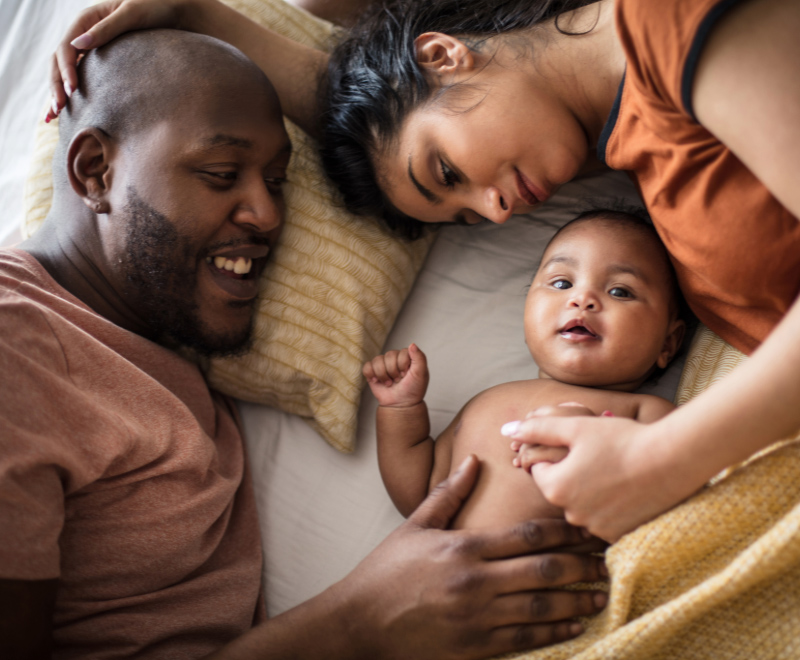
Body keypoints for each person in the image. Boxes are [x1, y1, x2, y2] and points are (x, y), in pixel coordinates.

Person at [46, 0, 800, 543]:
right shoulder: (603, 127)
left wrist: (665, 459)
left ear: (444, 54)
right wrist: (200, 15)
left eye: (447, 171)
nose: (498, 211)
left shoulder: (668, 23)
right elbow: (378, 102)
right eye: (467, 215)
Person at [0, 27, 611, 660]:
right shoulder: (14, 340)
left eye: (276, 182)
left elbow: (405, 110)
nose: (266, 215)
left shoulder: (151, 342)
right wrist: (359, 622)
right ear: (95, 170)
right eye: (220, 173)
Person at [363, 210, 685, 529]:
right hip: (442, 572)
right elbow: (420, 500)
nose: (582, 298)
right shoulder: (484, 404)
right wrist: (401, 410)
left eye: (620, 291)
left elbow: (669, 508)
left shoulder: (649, 415)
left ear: (667, 344)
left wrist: (594, 448)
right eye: (561, 282)